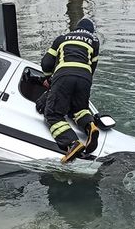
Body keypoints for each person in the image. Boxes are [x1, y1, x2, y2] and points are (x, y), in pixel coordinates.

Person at [40, 18, 101, 163]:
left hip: (64, 74)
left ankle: (72, 143)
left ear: (75, 28)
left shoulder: (62, 38)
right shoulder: (94, 41)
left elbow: (46, 63)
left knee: (53, 114)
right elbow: (93, 65)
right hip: (85, 77)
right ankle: (90, 126)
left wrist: (49, 79)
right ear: (90, 31)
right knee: (79, 109)